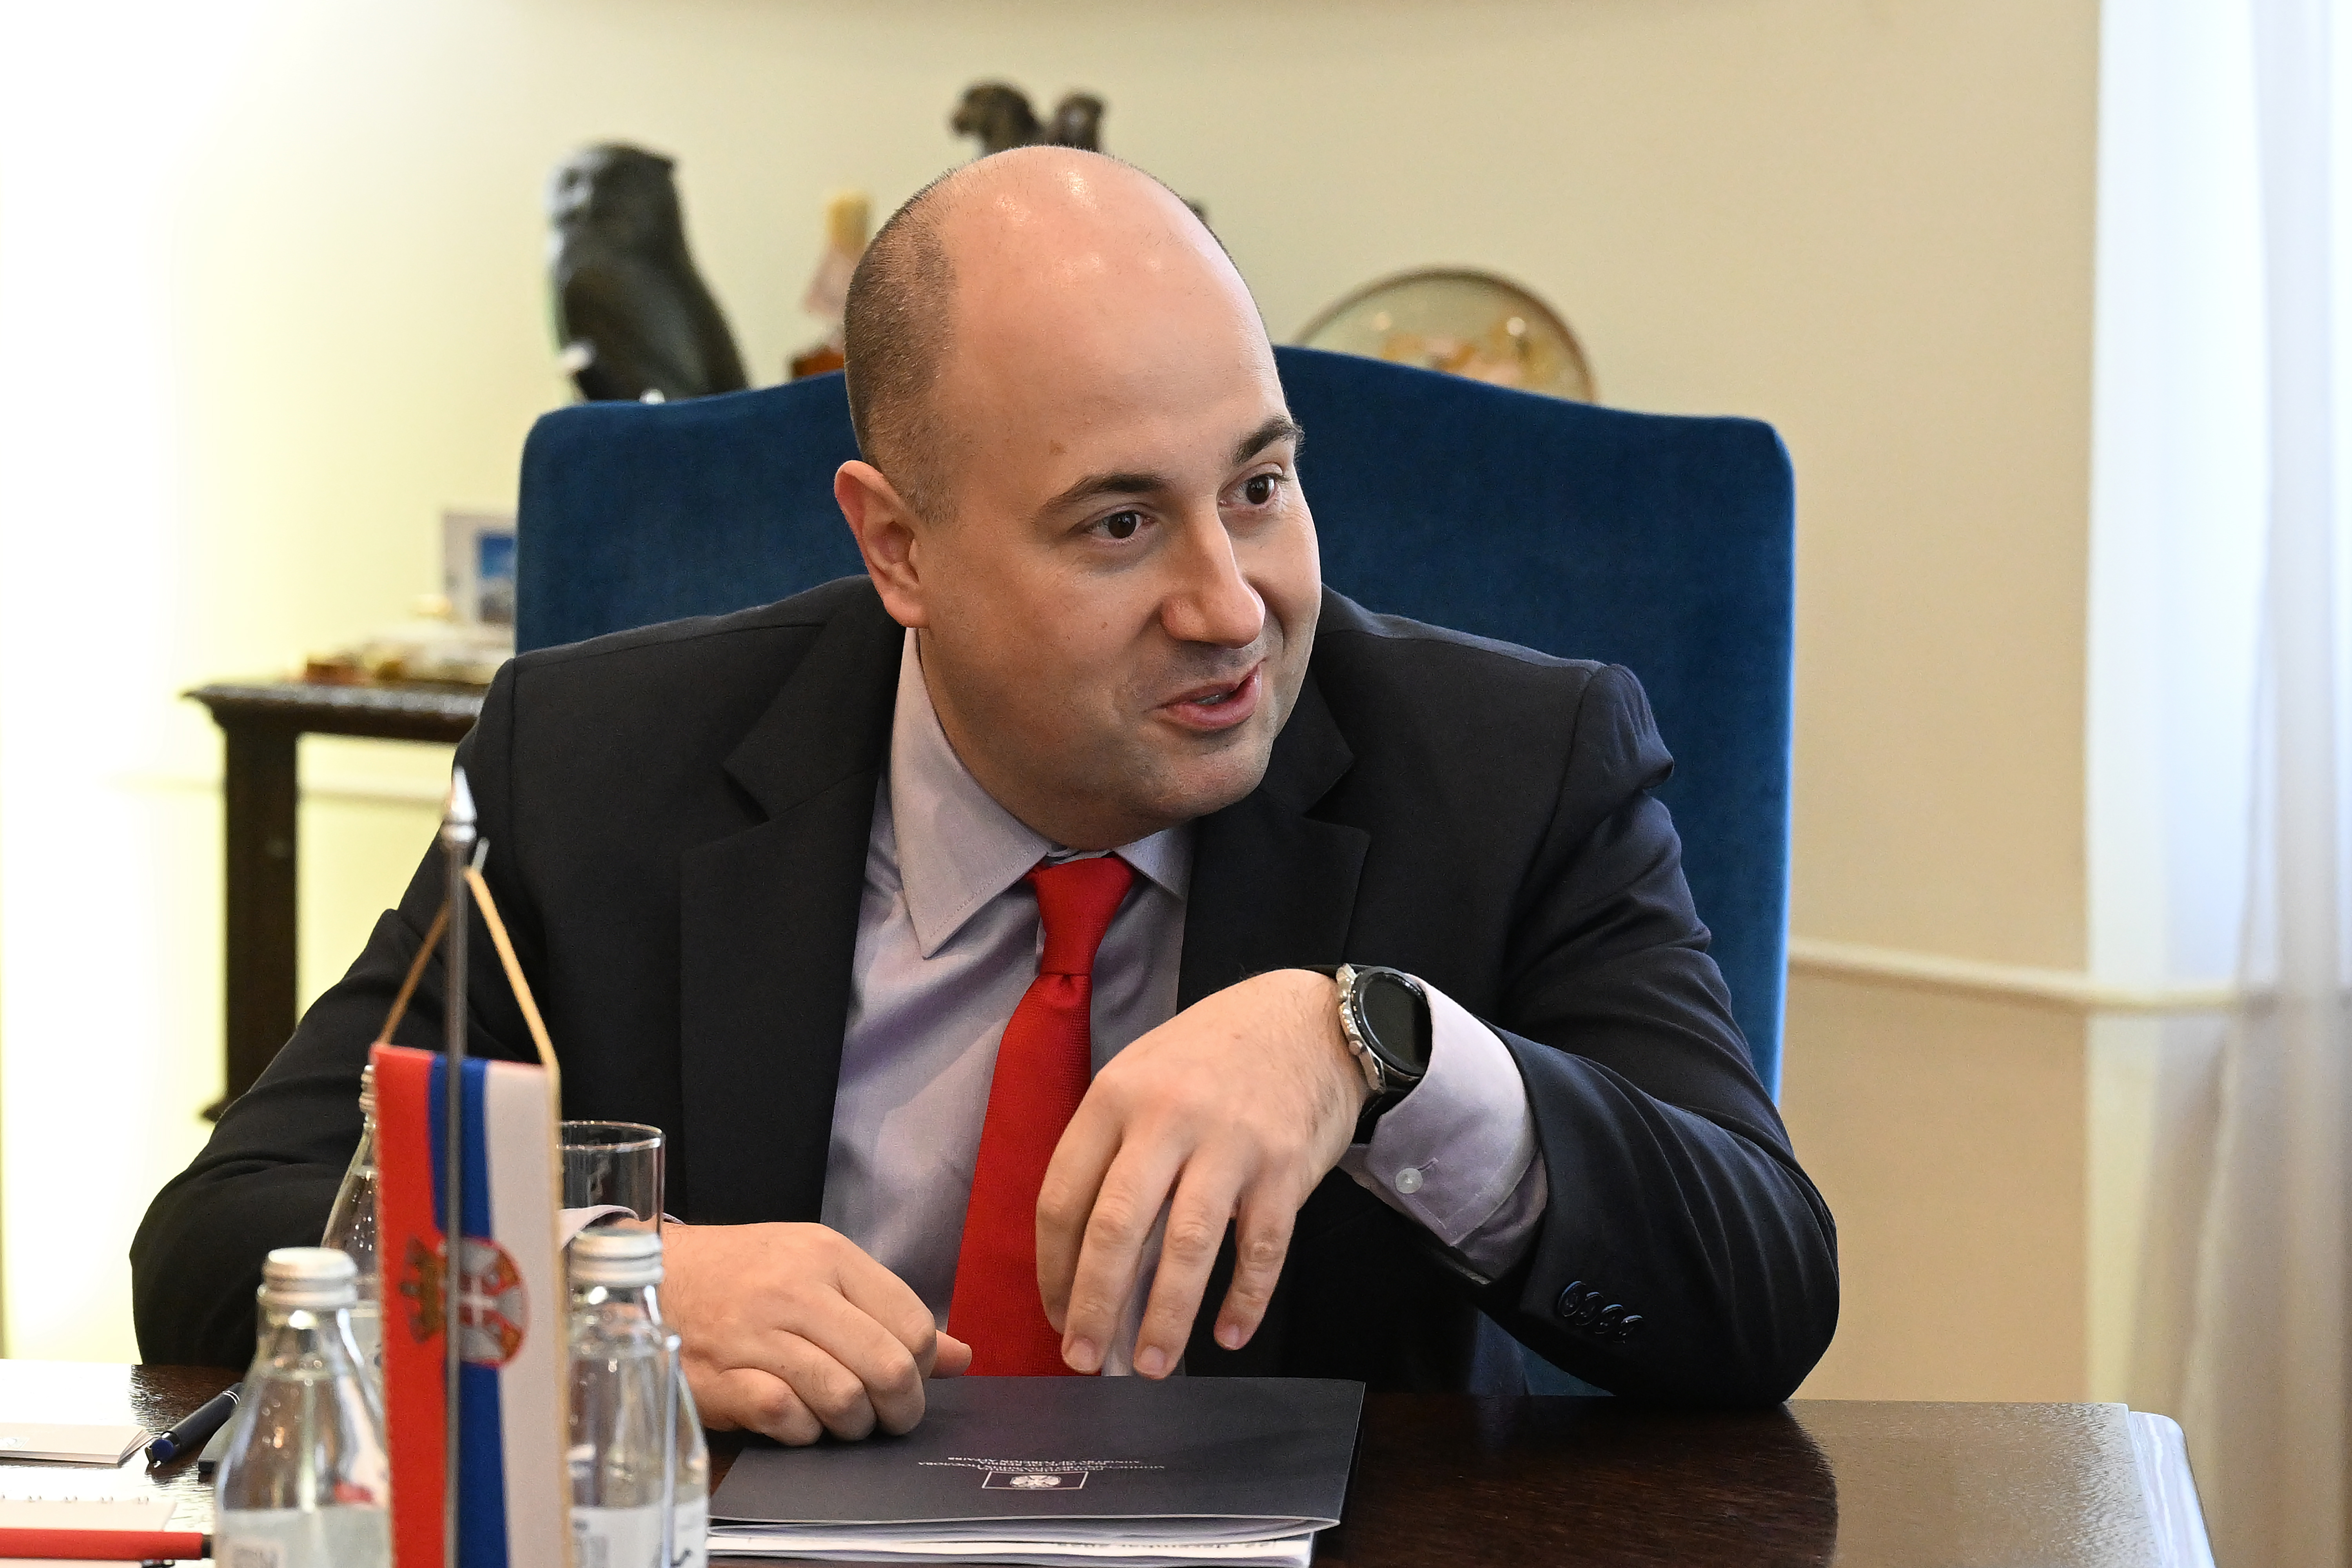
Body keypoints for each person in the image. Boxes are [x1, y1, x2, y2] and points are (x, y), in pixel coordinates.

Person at [134, 147, 1838, 1442]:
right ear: (899, 547)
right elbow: (222, 1241)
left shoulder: (1514, 770)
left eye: (1260, 486)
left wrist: (1378, 1050)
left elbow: (1763, 1290)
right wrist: (607, 1287)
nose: (1230, 605)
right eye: (1120, 523)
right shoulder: (595, 768)